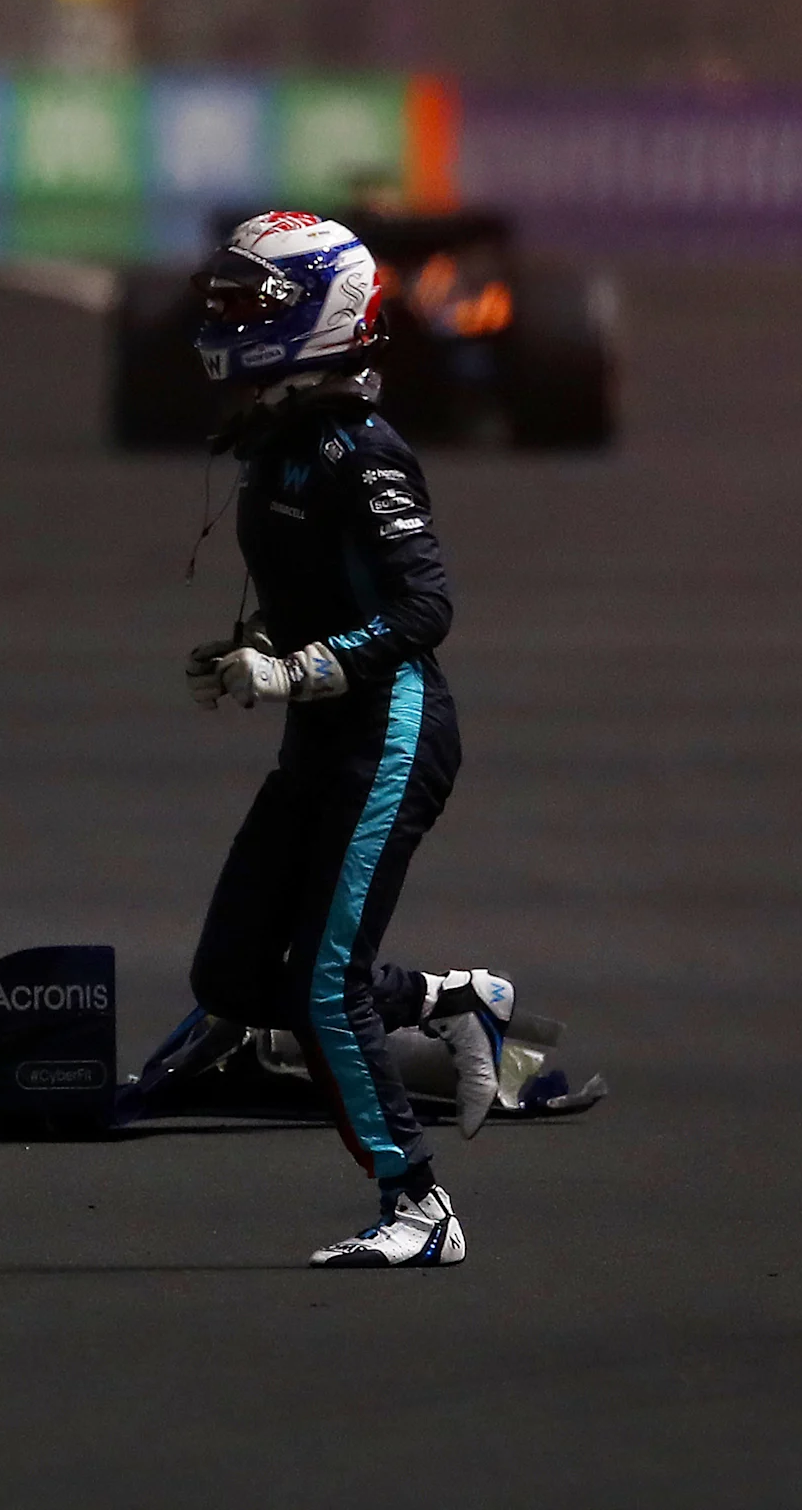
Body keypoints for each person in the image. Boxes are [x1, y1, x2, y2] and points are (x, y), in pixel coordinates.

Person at [149, 211, 541, 1269]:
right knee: (230, 976)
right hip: (324, 735)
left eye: (246, 305)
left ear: (314, 316)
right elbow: (322, 595)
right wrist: (251, 651)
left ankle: (417, 1205)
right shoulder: (275, 441)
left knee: (323, 980)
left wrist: (295, 668)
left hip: (389, 732)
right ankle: (451, 999)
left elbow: (423, 610)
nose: (221, 322)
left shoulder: (358, 452)